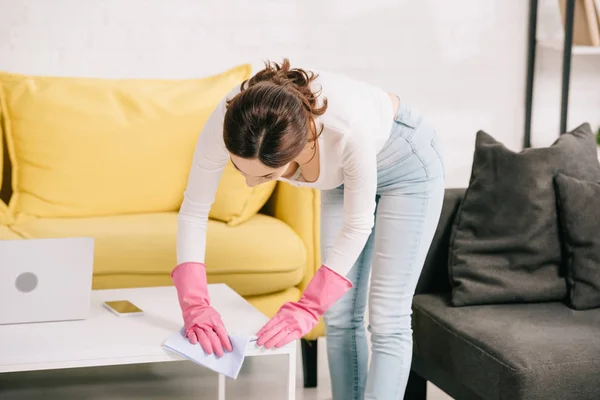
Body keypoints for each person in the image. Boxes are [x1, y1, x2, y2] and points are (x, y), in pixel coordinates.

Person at [172, 59, 445, 400]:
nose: (249, 182)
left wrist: (308, 306)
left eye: (266, 175)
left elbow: (358, 224)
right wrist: (194, 303)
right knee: (341, 315)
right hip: (346, 176)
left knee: (388, 318)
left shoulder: (347, 130)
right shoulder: (229, 121)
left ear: (300, 147)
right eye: (241, 169)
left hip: (406, 162)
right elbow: (194, 210)